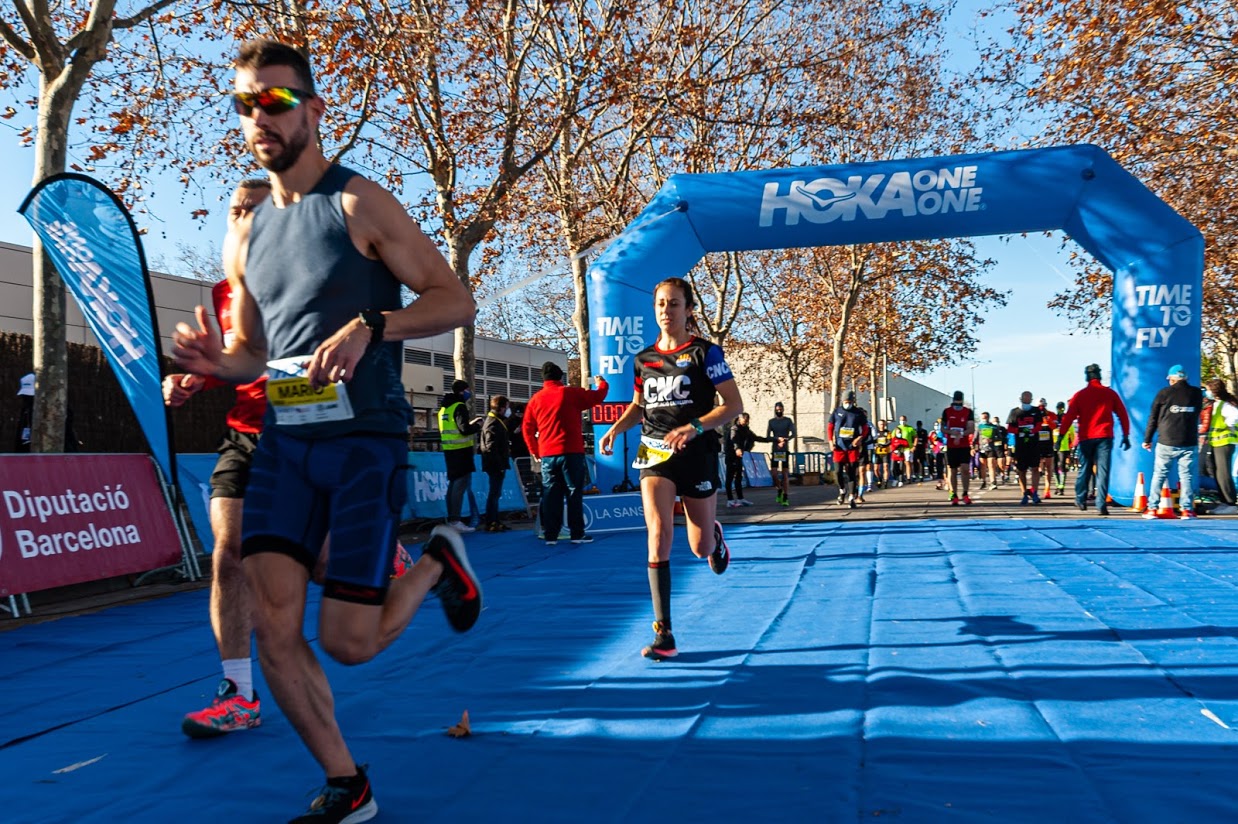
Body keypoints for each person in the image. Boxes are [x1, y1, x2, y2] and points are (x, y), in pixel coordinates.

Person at [172, 39, 481, 822]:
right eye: (245, 104)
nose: (258, 117)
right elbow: (252, 354)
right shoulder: (242, 227)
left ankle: (436, 563)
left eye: (273, 100)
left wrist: (373, 325)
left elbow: (455, 301)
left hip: (362, 441)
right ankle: (350, 784)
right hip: (284, 442)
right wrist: (216, 364)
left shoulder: (358, 204)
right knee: (269, 617)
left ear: (312, 109)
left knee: (347, 641)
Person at [163, 179, 272, 738]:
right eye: (235, 211)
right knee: (228, 557)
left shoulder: (312, 280)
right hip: (244, 434)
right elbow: (226, 362)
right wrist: (189, 379)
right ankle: (239, 695)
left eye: (255, 210)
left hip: (304, 432)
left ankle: (392, 558)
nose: (243, 219)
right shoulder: (221, 292)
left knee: (325, 566)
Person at [599, 277, 743, 661]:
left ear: (689, 309)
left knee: (699, 548)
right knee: (658, 532)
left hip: (696, 451)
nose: (666, 310)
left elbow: (732, 405)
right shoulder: (643, 360)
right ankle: (665, 633)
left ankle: (713, 533)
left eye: (674, 303)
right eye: (661, 303)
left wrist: (695, 426)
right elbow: (639, 405)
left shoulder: (705, 354)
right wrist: (616, 427)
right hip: (655, 452)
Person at [522, 361, 608, 545]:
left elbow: (527, 428)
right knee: (573, 492)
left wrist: (534, 450)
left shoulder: (535, 399)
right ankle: (577, 533)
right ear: (561, 376)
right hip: (571, 451)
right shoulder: (570, 393)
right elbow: (598, 397)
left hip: (547, 453)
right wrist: (602, 383)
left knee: (550, 493)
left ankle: (550, 534)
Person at [1060, 363, 1131, 516]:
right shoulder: (1109, 394)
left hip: (1086, 437)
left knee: (1084, 469)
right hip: (1104, 436)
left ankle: (1081, 499)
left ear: (1087, 376)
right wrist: (1126, 435)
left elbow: (1068, 418)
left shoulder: (1079, 395)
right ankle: (1101, 504)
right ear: (1099, 376)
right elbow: (1122, 414)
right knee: (1103, 471)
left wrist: (1060, 436)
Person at [1141, 364, 1203, 520]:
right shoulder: (1196, 394)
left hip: (1166, 441)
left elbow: (1153, 418)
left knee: (1159, 475)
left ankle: (1152, 509)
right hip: (1188, 441)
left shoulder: (1164, 393)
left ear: (1172, 379)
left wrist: (1147, 439)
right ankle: (1187, 510)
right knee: (1187, 476)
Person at [439, 379, 482, 532]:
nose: (469, 393)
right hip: (461, 451)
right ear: (462, 391)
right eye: (467, 390)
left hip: (449, 450)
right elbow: (464, 429)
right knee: (459, 485)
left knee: (453, 484)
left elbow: (455, 427)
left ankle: (452, 518)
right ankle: (455, 520)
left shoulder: (444, 408)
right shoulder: (459, 406)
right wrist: (477, 426)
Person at [827, 390, 870, 509]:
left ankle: (851, 497)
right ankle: (842, 490)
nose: (848, 404)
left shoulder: (858, 413)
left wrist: (860, 438)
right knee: (838, 472)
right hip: (839, 447)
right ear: (842, 401)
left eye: (850, 402)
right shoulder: (837, 412)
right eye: (846, 402)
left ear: (853, 401)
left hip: (852, 447)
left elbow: (865, 428)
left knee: (851, 472)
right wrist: (831, 441)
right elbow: (830, 427)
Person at [479, 394, 513, 532]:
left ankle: (495, 520)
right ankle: (491, 521)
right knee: (494, 493)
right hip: (495, 465)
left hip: (496, 463)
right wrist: (499, 465)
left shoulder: (496, 421)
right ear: (502, 407)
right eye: (507, 407)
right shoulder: (493, 422)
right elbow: (490, 446)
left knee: (495, 493)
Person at [1204, 378, 1238, 513]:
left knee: (1223, 473)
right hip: (1217, 442)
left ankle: (1230, 502)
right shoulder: (1217, 404)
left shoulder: (1225, 405)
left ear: (1214, 391)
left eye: (1208, 390)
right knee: (1218, 473)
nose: (1207, 393)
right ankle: (1224, 500)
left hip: (1224, 443)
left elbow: (1235, 416)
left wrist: (1229, 424)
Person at [1006, 391, 1046, 505]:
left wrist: (1031, 431)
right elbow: (1010, 428)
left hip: (1033, 445)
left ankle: (1034, 492)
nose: (1027, 400)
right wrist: (1020, 430)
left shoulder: (1036, 411)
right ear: (1021, 399)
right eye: (1025, 398)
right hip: (1021, 445)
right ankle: (1024, 493)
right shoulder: (1015, 412)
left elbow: (1039, 425)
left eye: (1029, 398)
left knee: (1035, 468)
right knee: (1021, 470)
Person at [941, 391, 975, 505]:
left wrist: (961, 434)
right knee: (952, 470)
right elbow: (942, 428)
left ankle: (965, 493)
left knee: (965, 469)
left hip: (964, 445)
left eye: (959, 401)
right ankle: (953, 493)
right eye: (955, 401)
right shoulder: (947, 412)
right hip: (951, 446)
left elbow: (971, 429)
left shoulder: (968, 412)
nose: (957, 404)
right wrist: (951, 432)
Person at [724, 412, 764, 507]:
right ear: (739, 419)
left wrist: (774, 439)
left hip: (738, 456)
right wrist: (737, 448)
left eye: (747, 421)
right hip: (731, 455)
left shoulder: (745, 429)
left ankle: (740, 498)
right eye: (744, 421)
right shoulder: (734, 428)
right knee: (729, 477)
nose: (746, 422)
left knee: (738, 477)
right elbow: (733, 439)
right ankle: (729, 500)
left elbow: (756, 438)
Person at [766, 401, 796, 506]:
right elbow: (768, 436)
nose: (779, 411)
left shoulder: (788, 421)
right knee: (774, 474)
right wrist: (777, 439)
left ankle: (786, 496)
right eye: (777, 410)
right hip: (775, 450)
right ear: (775, 410)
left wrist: (785, 440)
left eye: (780, 409)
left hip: (784, 450)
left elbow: (794, 433)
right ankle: (779, 489)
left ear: (783, 409)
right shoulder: (771, 422)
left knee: (785, 475)